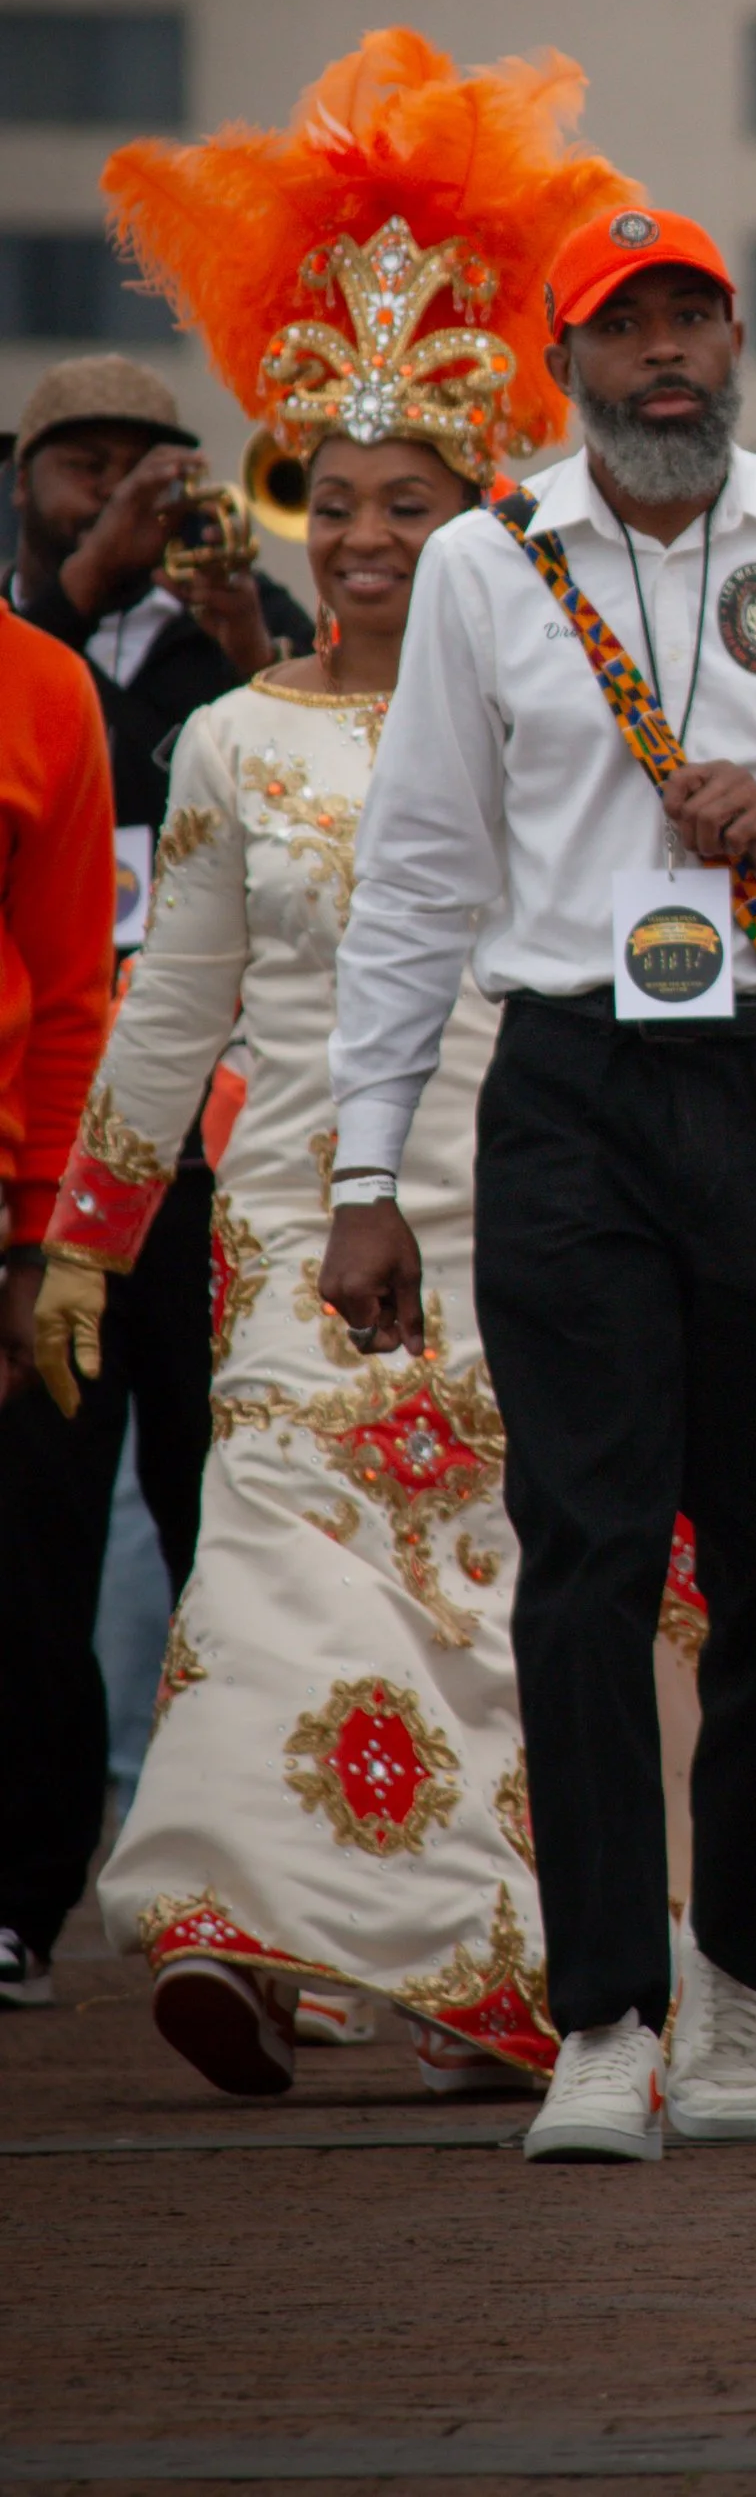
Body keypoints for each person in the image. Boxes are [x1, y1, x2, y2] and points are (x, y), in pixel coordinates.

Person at [322, 200, 756, 2163]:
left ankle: (733, 1979)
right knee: (588, 1552)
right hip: (566, 1093)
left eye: (695, 325)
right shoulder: (487, 559)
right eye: (627, 326)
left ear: (735, 347)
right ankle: (606, 2024)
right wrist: (365, 1165)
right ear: (566, 358)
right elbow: (419, 871)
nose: (667, 359)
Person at [35, 35, 630, 2093]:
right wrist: (83, 1251)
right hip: (298, 1222)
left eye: (411, 507)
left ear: (485, 523)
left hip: (539, 1217)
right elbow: (166, 1009)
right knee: (275, 1563)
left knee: (499, 1603)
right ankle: (228, 1924)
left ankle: (496, 1966)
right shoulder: (230, 740)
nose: (366, 541)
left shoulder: (569, 729)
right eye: (333, 502)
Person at [0, 355, 314, 2008]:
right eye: (85, 465)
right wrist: (77, 586)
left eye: (155, 466)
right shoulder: (27, 648)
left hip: (226, 1138)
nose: (125, 492)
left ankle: (252, 1881)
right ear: (30, 480)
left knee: (231, 1510)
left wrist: (241, 628)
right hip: (69, 1147)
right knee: (45, 1522)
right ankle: (27, 1883)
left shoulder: (235, 639)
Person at [0, 599, 117, 2007]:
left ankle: (20, 1891)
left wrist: (40, 1235)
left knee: (24, 1569)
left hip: (8, 1196)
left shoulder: (41, 687)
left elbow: (75, 982)